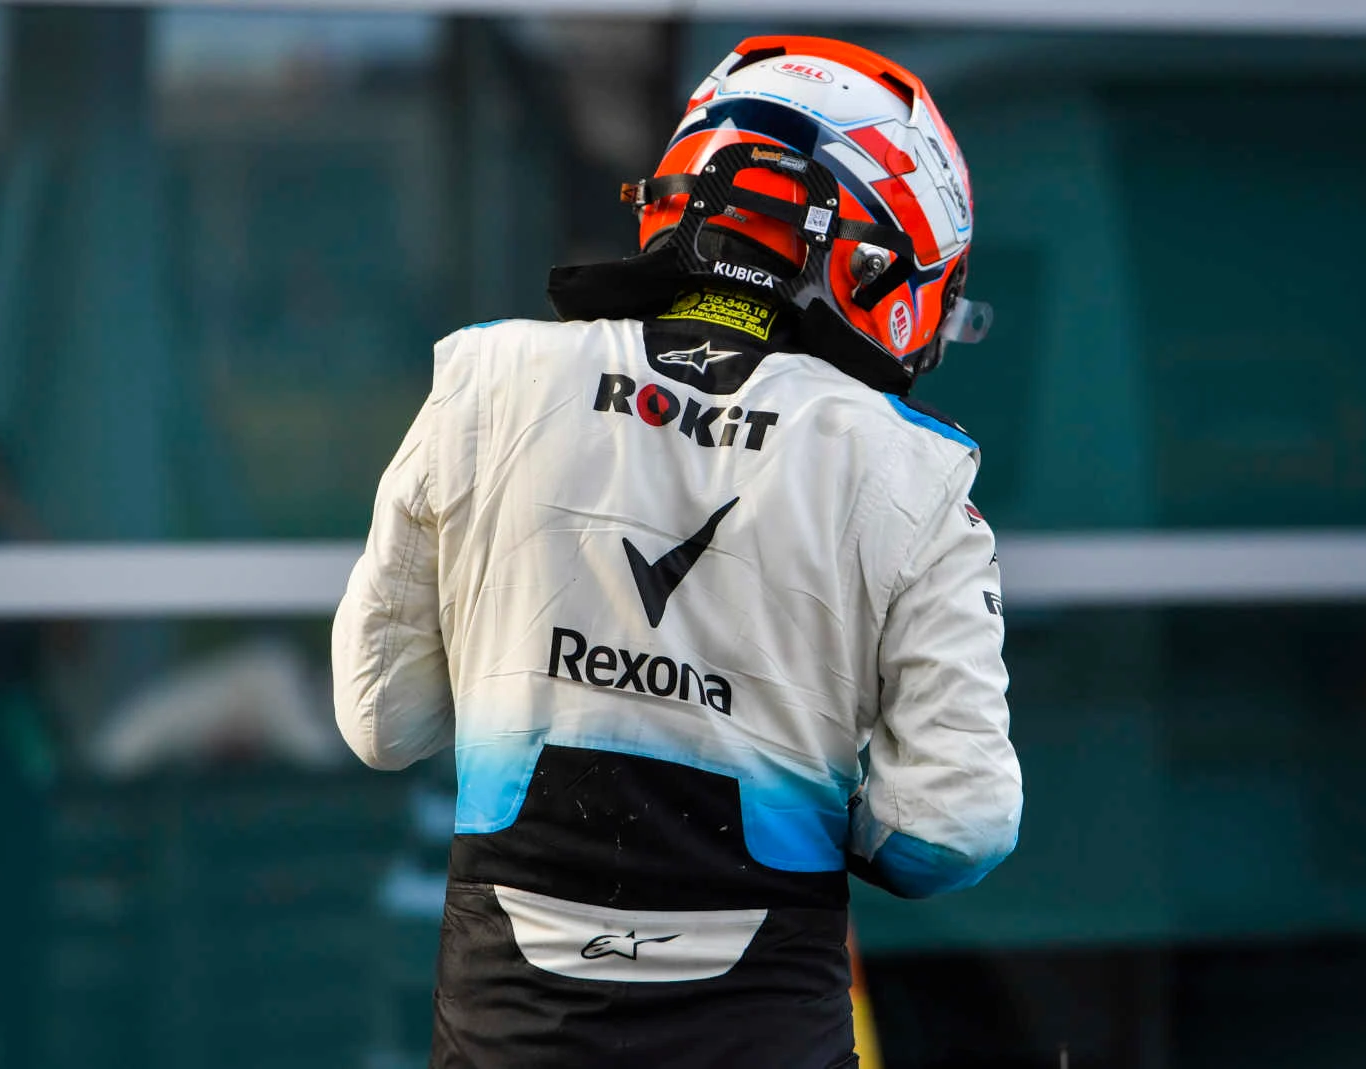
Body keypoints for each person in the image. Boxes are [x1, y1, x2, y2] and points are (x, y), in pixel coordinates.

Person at [333, 35, 1021, 1069]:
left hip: (506, 1027)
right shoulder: (910, 473)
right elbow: (954, 829)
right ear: (882, 258)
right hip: (762, 1021)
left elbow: (385, 719)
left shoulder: (487, 379)